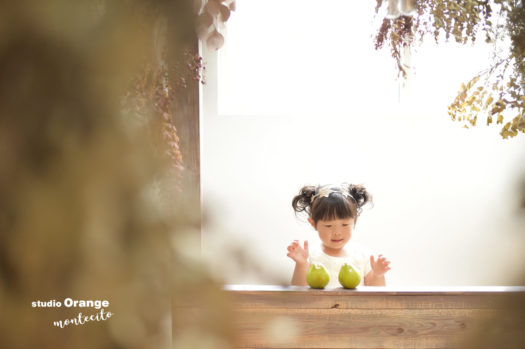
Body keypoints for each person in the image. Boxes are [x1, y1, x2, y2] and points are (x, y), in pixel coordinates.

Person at [286, 183, 391, 287]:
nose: (337, 232)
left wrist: (378, 274)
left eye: (344, 224)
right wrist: (301, 263)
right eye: (328, 226)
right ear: (313, 223)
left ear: (355, 220)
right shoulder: (310, 256)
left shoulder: (363, 256)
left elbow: (375, 295)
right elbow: (299, 293)